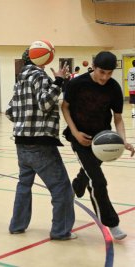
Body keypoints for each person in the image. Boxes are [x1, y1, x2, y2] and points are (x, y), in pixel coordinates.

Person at [62, 51, 135, 240]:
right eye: (102, 72)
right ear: (94, 67)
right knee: (98, 180)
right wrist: (76, 133)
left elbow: (118, 118)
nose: (105, 77)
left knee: (89, 173)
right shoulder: (77, 83)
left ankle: (76, 187)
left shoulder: (114, 88)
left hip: (101, 141)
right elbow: (65, 107)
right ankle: (111, 223)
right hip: (79, 139)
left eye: (109, 73)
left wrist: (122, 140)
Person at [5, 48, 76, 240]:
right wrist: (59, 81)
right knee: (61, 188)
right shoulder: (40, 75)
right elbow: (45, 103)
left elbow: (10, 112)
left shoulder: (20, 78)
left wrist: (26, 120)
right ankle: (61, 232)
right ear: (42, 59)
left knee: (24, 185)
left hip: (21, 142)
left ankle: (17, 225)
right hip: (41, 142)